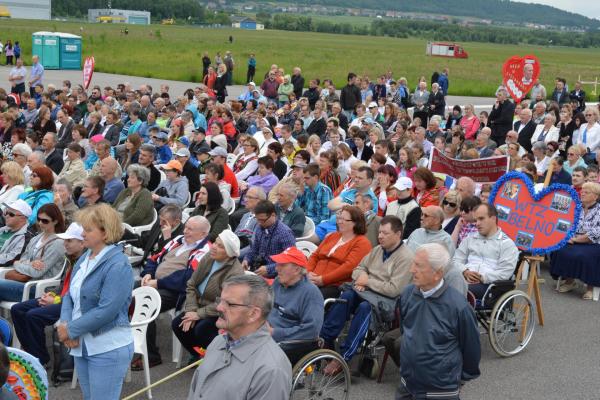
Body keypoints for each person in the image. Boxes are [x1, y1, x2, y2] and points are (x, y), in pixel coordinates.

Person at [57, 204, 133, 400]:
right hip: (83, 344)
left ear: (105, 233)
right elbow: (69, 296)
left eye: (88, 229)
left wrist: (71, 330)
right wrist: (66, 326)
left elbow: (108, 309)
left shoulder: (119, 264)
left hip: (108, 346)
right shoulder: (84, 259)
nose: (83, 233)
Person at [321, 216, 414, 375]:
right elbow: (358, 269)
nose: (380, 236)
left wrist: (367, 281)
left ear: (398, 234)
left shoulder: (406, 257)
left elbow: (394, 289)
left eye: (385, 233)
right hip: (365, 292)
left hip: (388, 302)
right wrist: (362, 278)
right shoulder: (378, 250)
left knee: (365, 307)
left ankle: (343, 357)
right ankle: (324, 340)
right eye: (379, 232)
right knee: (347, 297)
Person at [395, 243, 480, 399]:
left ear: (438, 273)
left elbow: (471, 349)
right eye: (413, 263)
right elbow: (405, 330)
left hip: (440, 391)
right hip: (407, 385)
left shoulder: (459, 307)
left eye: (418, 266)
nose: (411, 269)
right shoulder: (407, 294)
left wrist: (456, 379)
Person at [186, 274, 291, 400]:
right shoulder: (218, 341)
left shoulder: (271, 370)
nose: (219, 307)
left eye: (229, 304)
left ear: (253, 313)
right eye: (220, 300)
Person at [10, 223, 85, 367]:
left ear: (82, 243)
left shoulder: (85, 261)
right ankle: (33, 353)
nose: (65, 244)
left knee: (33, 315)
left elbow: (80, 294)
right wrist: (51, 294)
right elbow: (64, 284)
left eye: (69, 241)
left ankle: (40, 360)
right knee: (17, 309)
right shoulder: (71, 257)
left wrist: (56, 300)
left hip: (71, 304)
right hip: (62, 298)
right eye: (65, 240)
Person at [173, 230, 244, 362]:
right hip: (198, 304)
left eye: (220, 246)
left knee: (202, 329)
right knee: (178, 324)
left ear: (229, 254)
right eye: (215, 243)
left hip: (219, 311)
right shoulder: (209, 257)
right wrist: (191, 310)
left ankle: (216, 358)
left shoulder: (235, 272)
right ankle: (198, 354)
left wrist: (199, 314)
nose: (214, 247)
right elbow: (191, 284)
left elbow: (225, 302)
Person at [267, 246, 324, 365]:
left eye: (282, 265)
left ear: (297, 270)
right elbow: (266, 305)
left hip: (291, 343)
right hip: (266, 333)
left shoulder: (311, 293)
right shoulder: (278, 282)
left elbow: (311, 330)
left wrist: (275, 332)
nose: (277, 268)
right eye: (277, 264)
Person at [0, 204, 65, 302]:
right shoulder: (35, 239)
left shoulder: (58, 243)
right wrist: (27, 263)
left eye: (45, 221)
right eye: (38, 219)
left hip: (41, 290)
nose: (40, 223)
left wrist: (16, 263)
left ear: (55, 221)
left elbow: (37, 272)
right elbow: (22, 260)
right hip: (27, 284)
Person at [454, 203, 519, 299]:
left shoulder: (507, 244)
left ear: (493, 219)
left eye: (481, 219)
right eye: (476, 220)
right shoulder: (470, 238)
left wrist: (482, 277)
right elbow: (455, 260)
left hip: (488, 286)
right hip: (464, 278)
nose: (477, 223)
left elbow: (505, 273)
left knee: (456, 290)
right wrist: (465, 271)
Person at [306, 205, 372, 299]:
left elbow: (348, 268)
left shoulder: (362, 242)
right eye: (339, 218)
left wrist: (323, 280)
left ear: (355, 223)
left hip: (335, 285)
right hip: (313, 279)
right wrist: (308, 272)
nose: (339, 222)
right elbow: (315, 256)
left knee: (310, 297)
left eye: (344, 219)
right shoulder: (332, 236)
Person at [551, 182, 600, 300]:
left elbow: (596, 232)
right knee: (560, 250)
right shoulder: (576, 207)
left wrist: (576, 239)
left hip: (593, 243)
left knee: (584, 255)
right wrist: (569, 237)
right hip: (574, 239)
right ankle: (569, 281)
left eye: (586, 192)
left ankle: (590, 288)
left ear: (595, 196)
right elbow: (567, 223)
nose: (582, 193)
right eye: (582, 191)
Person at [241, 200, 296, 278]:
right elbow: (254, 249)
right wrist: (247, 259)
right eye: (257, 219)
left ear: (273, 215)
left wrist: (269, 269)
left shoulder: (285, 233)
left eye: (262, 220)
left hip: (277, 276)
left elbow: (291, 260)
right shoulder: (260, 227)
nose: (259, 223)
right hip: (259, 270)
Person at [0, 200, 33, 267]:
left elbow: (13, 258)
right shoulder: (2, 230)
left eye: (11, 214)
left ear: (23, 218)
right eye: (6, 213)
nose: (6, 216)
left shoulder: (27, 237)